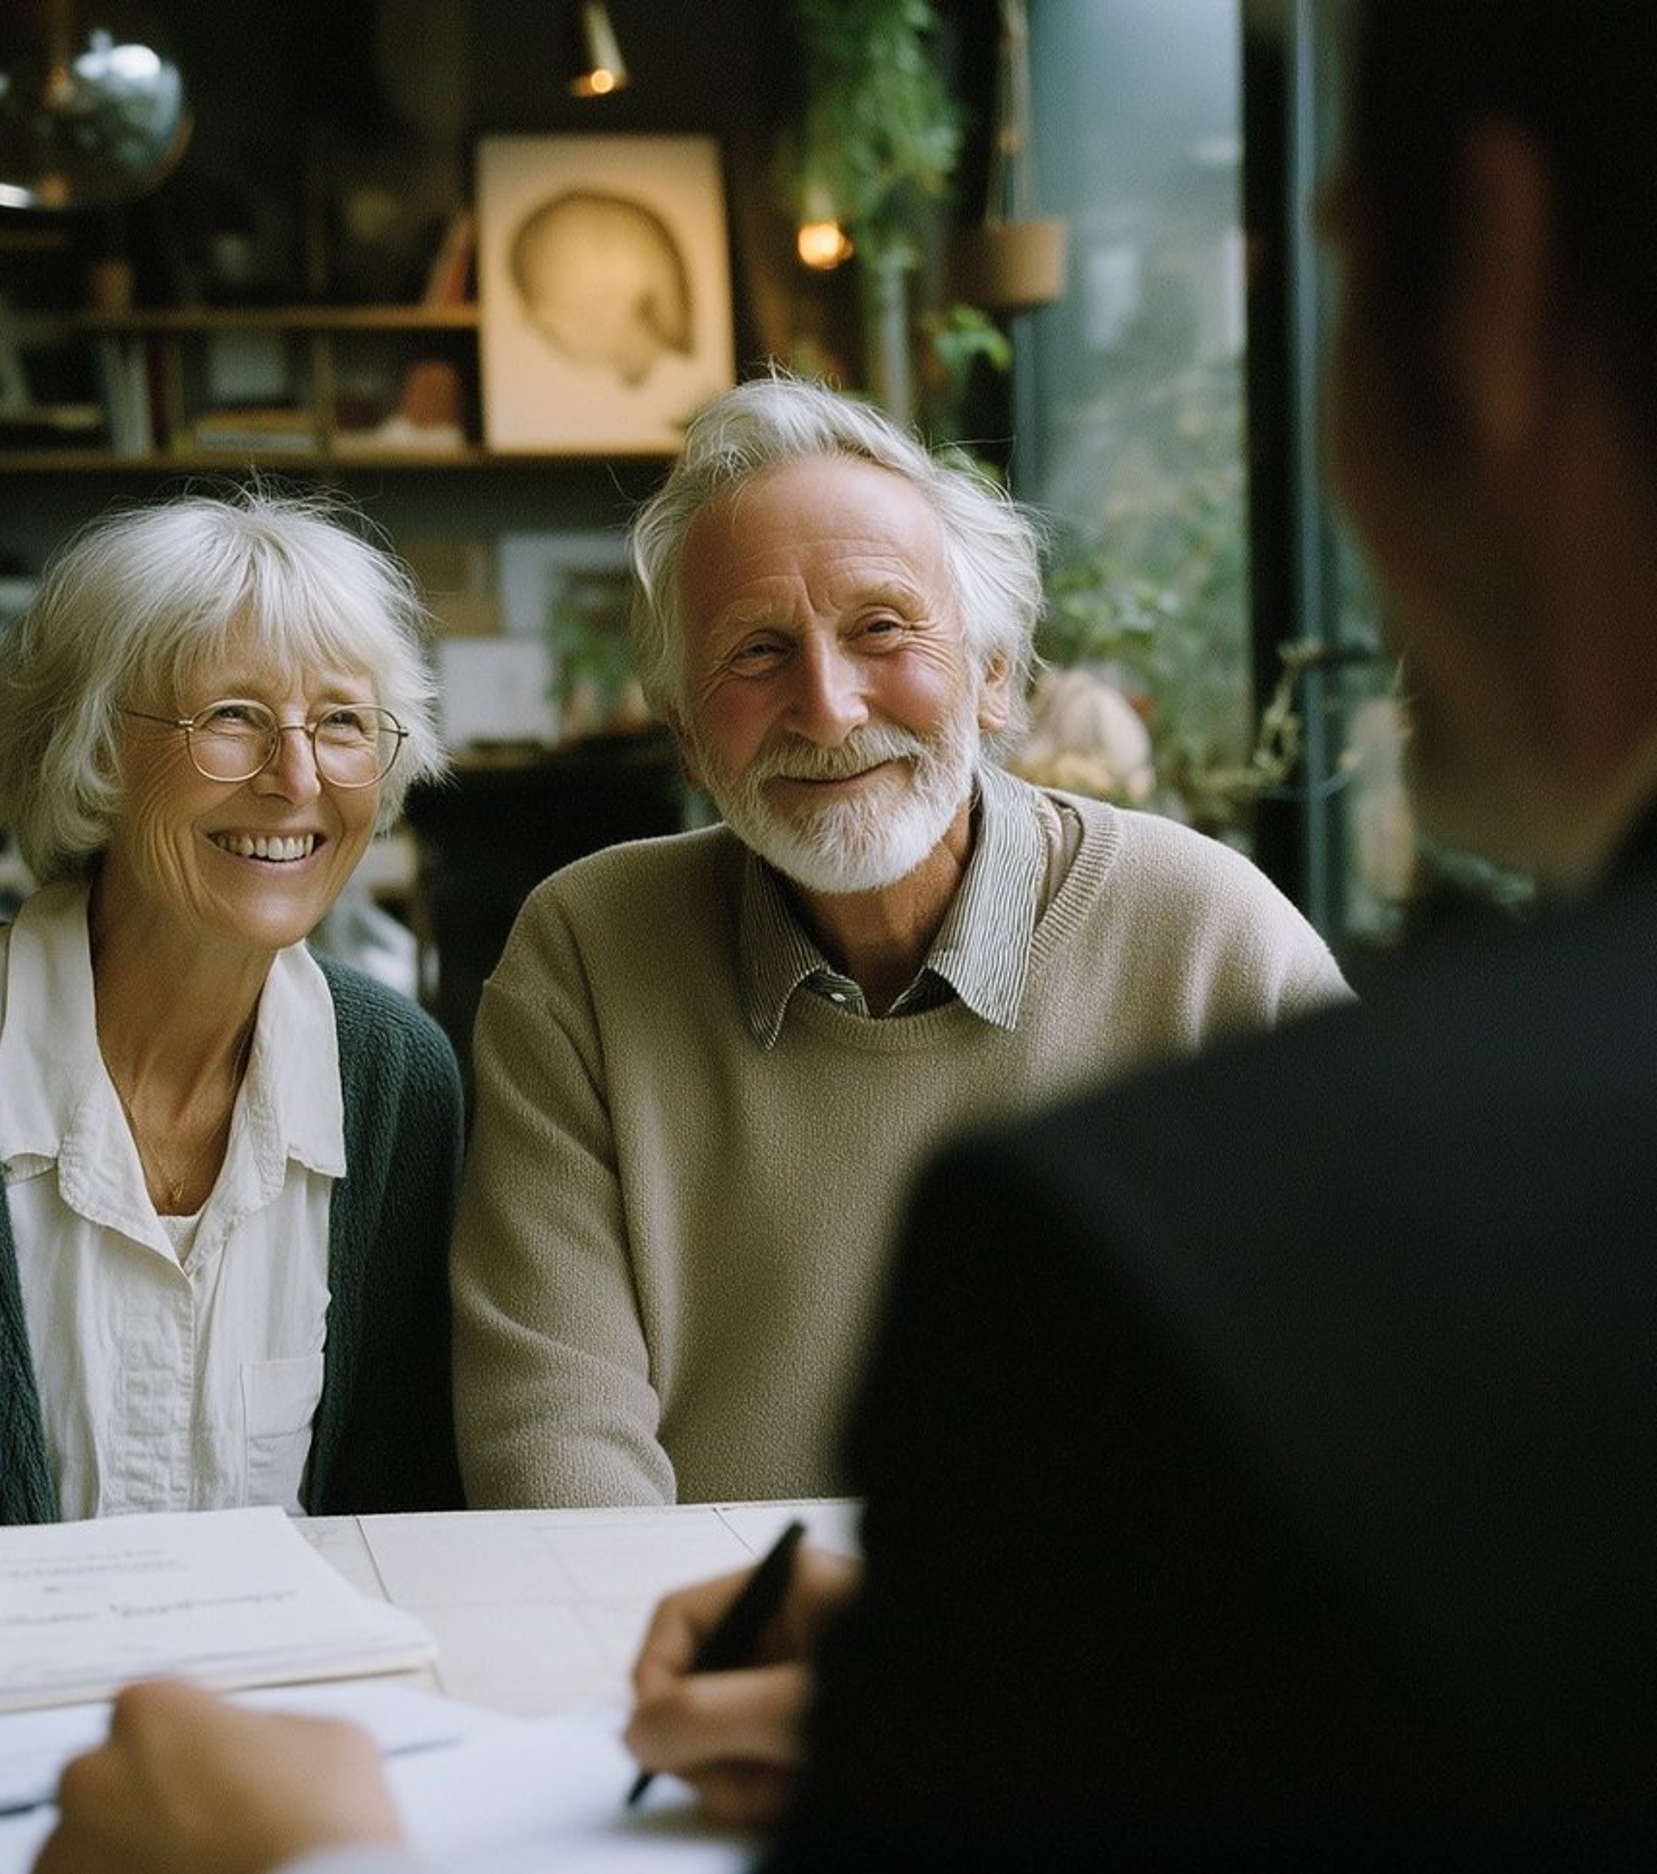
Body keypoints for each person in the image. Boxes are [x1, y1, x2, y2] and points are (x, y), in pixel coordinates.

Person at [26, 0, 1657, 1874]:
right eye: (745, 650)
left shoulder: (1250, 1215)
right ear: (667, 704)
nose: (819, 695)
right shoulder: (617, 972)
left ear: (1493, 298)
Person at [450, 372, 1345, 1506]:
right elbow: (555, 1442)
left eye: (881, 628)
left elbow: (1360, 1394)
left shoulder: (1213, 941)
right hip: (696, 1648)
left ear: (993, 677)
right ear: (684, 738)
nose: (828, 708)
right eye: (757, 652)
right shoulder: (582, 954)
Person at [0, 495, 463, 1530]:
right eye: (232, 716)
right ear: (91, 749)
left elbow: (395, 1524)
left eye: (342, 722)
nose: (298, 777)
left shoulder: (396, 1075)